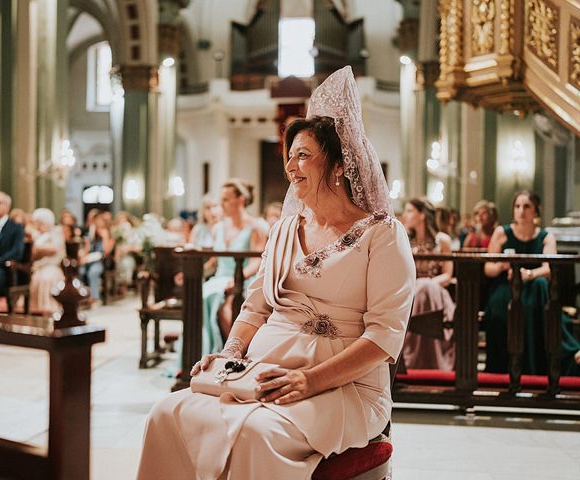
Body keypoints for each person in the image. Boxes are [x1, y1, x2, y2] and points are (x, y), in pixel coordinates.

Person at [137, 66, 415, 479]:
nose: (291, 166)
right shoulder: (284, 229)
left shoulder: (382, 235)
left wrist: (309, 381)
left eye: (303, 155)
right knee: (168, 412)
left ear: (339, 165)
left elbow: (382, 339)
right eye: (288, 156)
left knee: (256, 433)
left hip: (344, 388)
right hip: (262, 372)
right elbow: (255, 306)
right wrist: (230, 355)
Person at [483, 191, 580, 375]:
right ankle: (502, 368)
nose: (521, 211)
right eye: (517, 206)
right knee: (499, 307)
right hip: (506, 285)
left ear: (536, 211)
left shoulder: (545, 236)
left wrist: (528, 274)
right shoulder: (502, 232)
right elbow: (488, 268)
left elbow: (549, 268)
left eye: (526, 206)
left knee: (539, 288)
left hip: (533, 287)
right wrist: (502, 266)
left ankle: (534, 366)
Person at [202, 178, 267, 351]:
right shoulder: (218, 228)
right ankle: (201, 351)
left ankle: (233, 351)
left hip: (243, 279)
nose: (221, 204)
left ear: (241, 199)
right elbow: (214, 260)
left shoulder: (256, 227)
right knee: (201, 294)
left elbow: (257, 260)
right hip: (219, 278)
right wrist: (198, 270)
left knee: (225, 305)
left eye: (226, 199)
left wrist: (237, 278)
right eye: (221, 200)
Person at [402, 197, 455, 370]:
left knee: (426, 288)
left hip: (437, 291)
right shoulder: (404, 239)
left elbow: (447, 275)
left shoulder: (442, 240)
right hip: (411, 291)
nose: (405, 216)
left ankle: (434, 358)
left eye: (409, 211)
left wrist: (426, 283)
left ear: (422, 215)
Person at [29, 208, 65, 315]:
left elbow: (54, 249)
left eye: (40, 223)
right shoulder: (36, 235)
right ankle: (36, 308)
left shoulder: (56, 232)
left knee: (46, 277)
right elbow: (33, 253)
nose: (38, 226)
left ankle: (50, 308)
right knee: (37, 277)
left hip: (52, 266)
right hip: (38, 267)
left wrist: (40, 249)